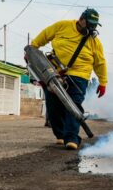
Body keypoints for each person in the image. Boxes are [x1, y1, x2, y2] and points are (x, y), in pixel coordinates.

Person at [30, 8, 107, 150]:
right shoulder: (62, 26)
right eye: (90, 24)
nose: (92, 28)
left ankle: (71, 138)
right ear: (81, 19)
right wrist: (31, 50)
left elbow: (100, 63)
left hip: (79, 76)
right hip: (54, 73)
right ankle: (60, 135)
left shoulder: (95, 42)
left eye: (95, 26)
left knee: (74, 105)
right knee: (53, 105)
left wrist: (103, 82)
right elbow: (45, 35)